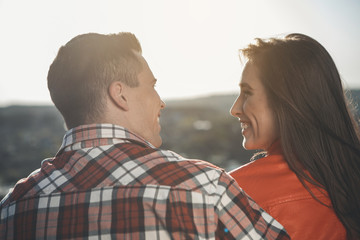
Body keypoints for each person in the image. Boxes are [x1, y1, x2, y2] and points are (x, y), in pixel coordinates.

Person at [0, 32, 289, 239]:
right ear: (120, 94)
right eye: (152, 86)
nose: (161, 101)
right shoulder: (203, 188)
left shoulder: (11, 209)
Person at [229, 33, 360, 239]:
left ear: (287, 100)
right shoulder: (351, 175)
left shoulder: (236, 193)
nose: (235, 109)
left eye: (247, 93)